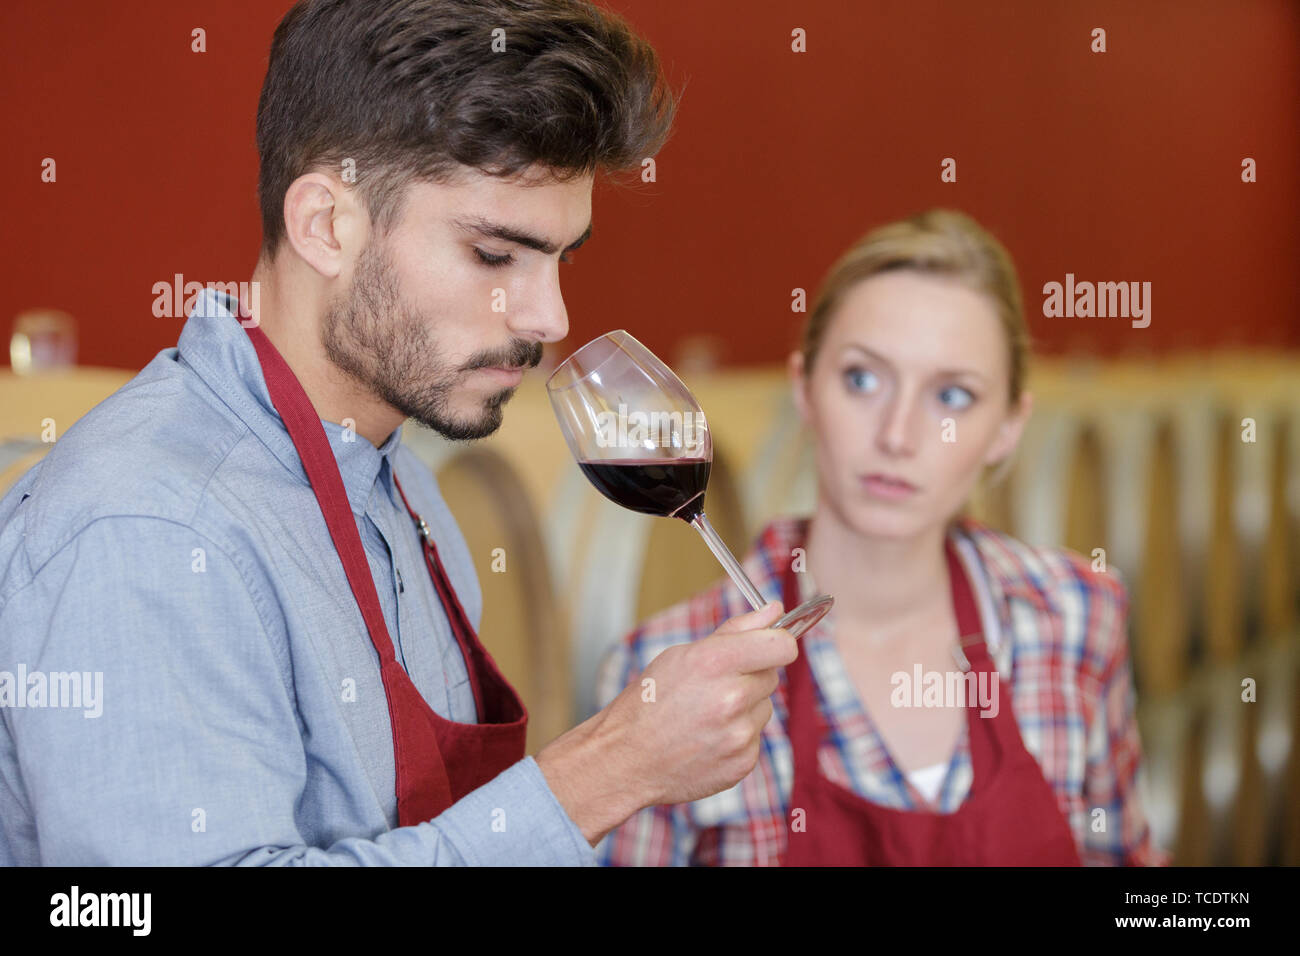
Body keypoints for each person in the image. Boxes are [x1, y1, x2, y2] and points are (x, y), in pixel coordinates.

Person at [0, 0, 799, 865]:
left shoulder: (397, 474)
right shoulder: (149, 529)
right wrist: (605, 772)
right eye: (495, 257)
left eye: (559, 260)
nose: (549, 316)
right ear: (326, 225)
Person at [594, 208, 1169, 866]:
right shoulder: (667, 667)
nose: (898, 435)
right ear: (805, 388)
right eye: (862, 379)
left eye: (952, 396)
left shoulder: (1074, 613)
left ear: (1009, 425)